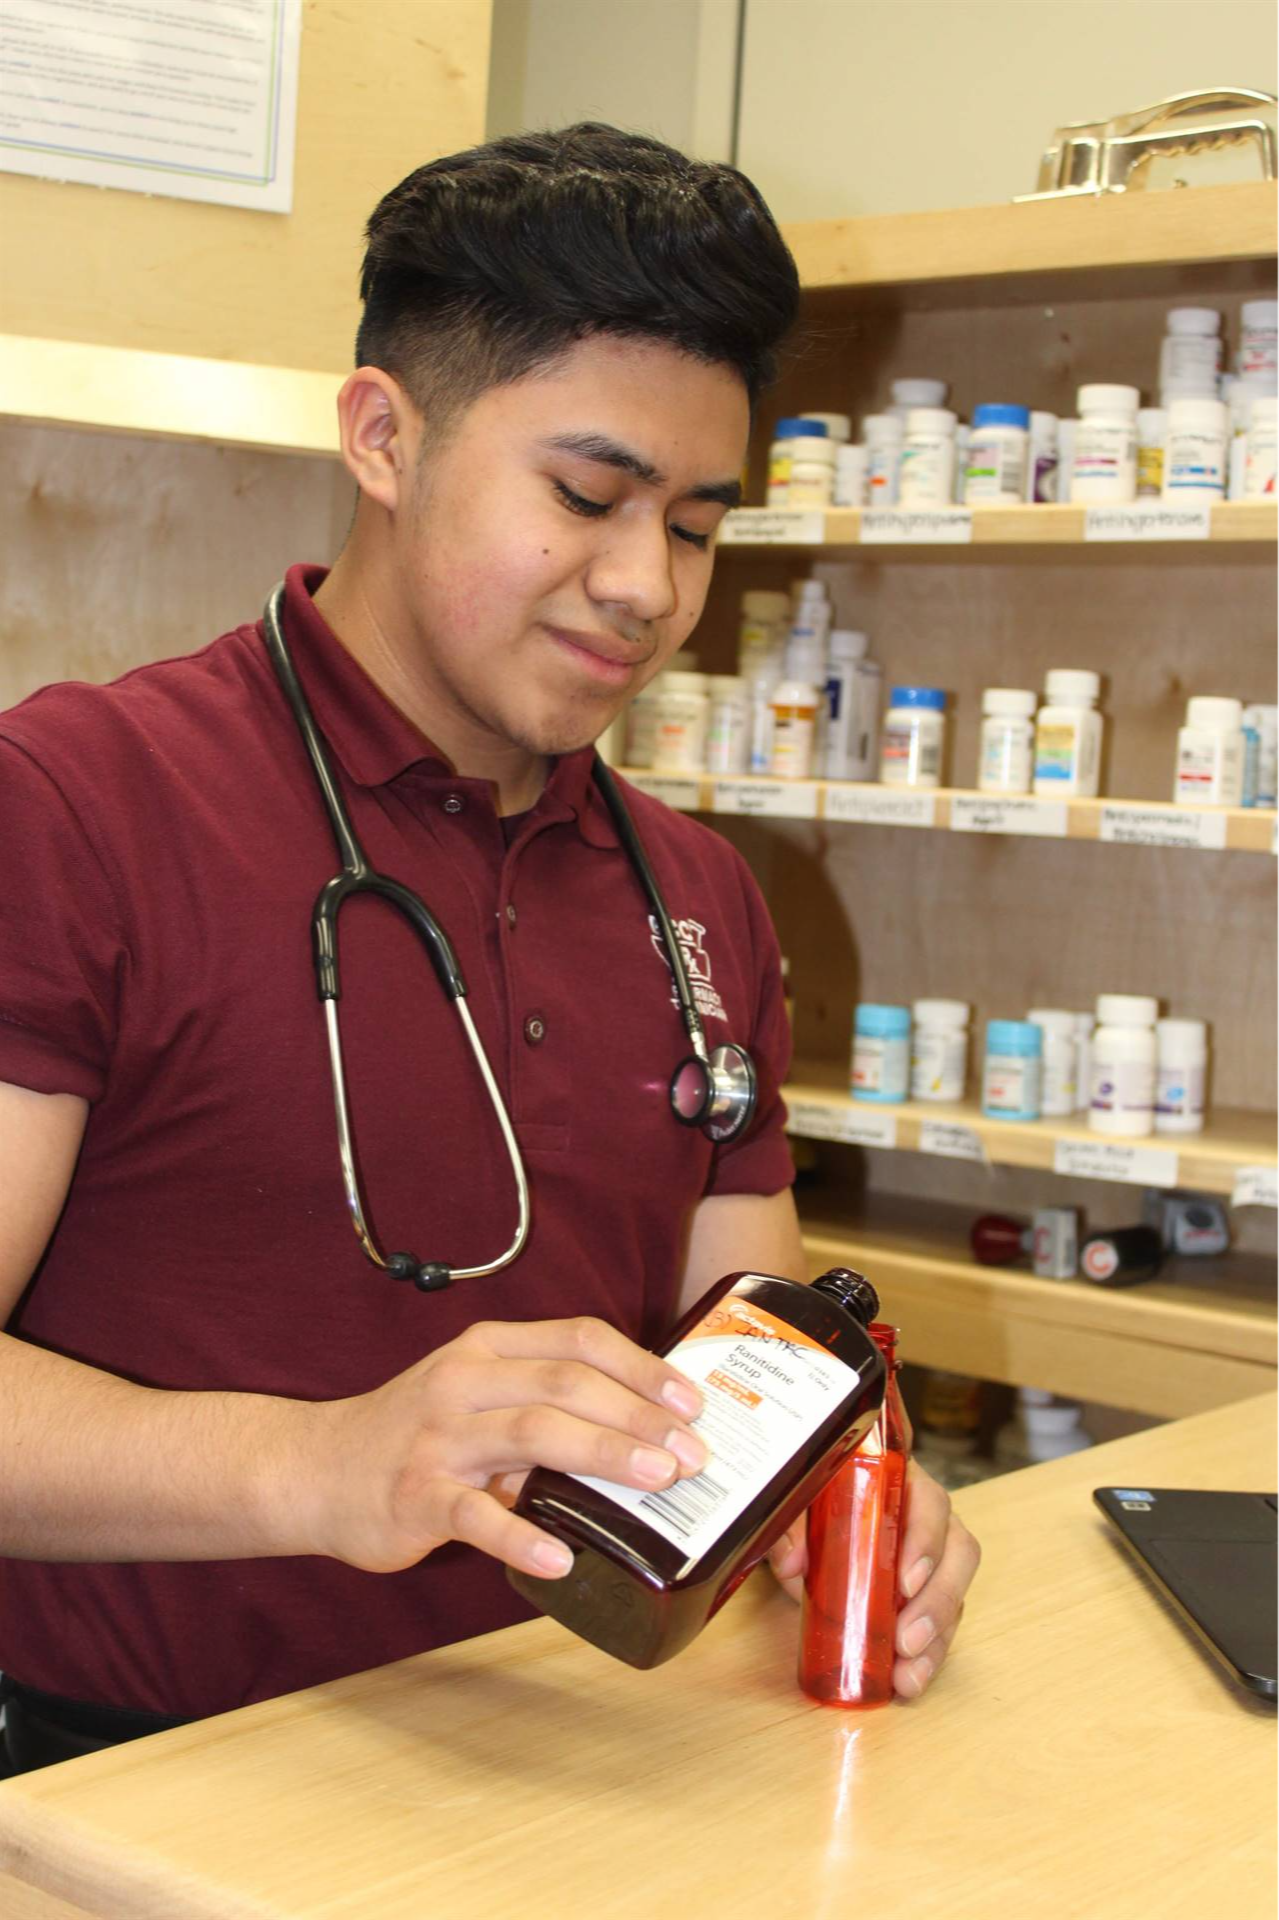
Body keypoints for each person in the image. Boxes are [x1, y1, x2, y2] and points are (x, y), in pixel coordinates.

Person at [0, 124, 979, 1772]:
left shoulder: (697, 901)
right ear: (383, 436)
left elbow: (748, 1351)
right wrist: (325, 1467)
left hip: (563, 1766)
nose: (644, 588)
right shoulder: (79, 805)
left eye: (693, 523)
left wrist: (841, 1497)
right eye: (586, 496)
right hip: (127, 1782)